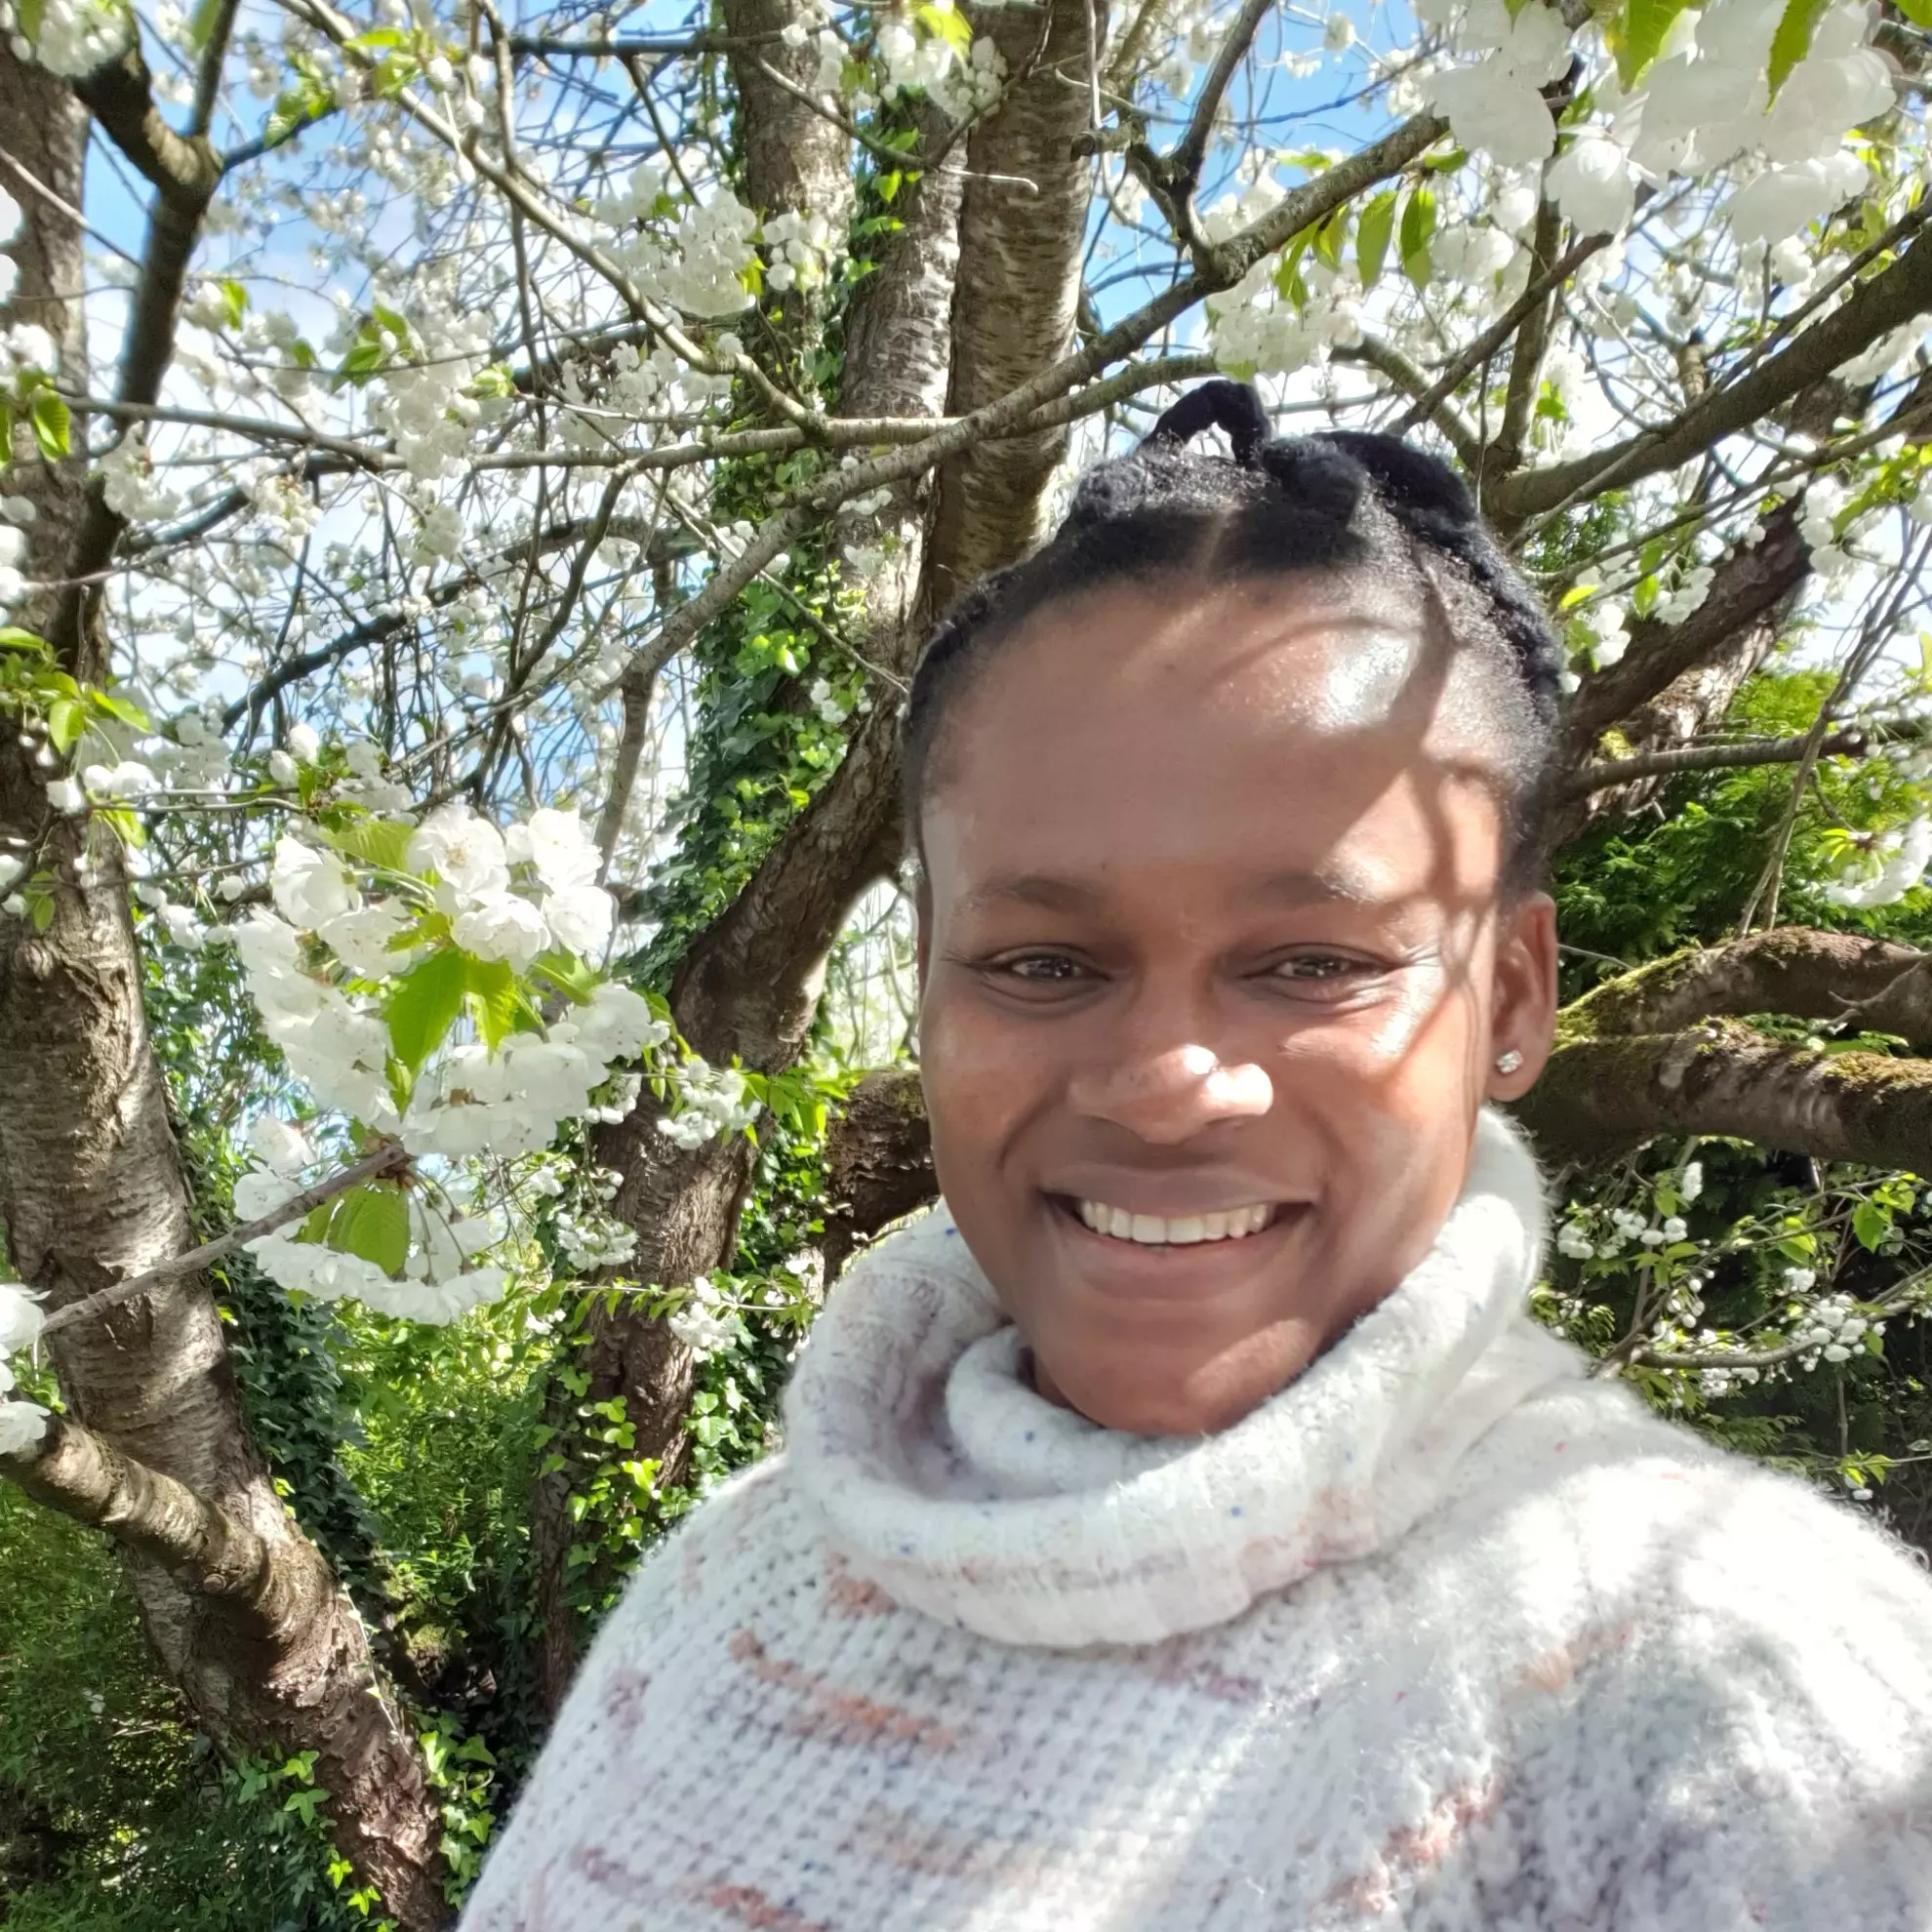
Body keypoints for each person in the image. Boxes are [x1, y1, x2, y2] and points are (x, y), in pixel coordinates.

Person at [460, 382, 1932, 1930]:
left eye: (1314, 963)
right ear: (930, 983)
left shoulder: (1760, 1703)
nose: (1166, 1089)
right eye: (1041, 964)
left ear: (1509, 999)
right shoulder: (724, 1592)